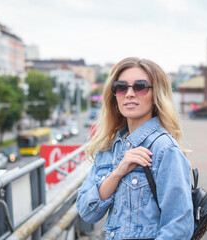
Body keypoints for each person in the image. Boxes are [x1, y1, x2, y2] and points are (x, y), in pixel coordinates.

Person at [76, 57, 194, 239]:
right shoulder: (108, 147)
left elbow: (178, 228)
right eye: (121, 87)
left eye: (140, 87)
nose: (130, 94)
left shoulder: (164, 149)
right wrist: (117, 173)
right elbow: (87, 211)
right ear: (114, 96)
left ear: (156, 95)